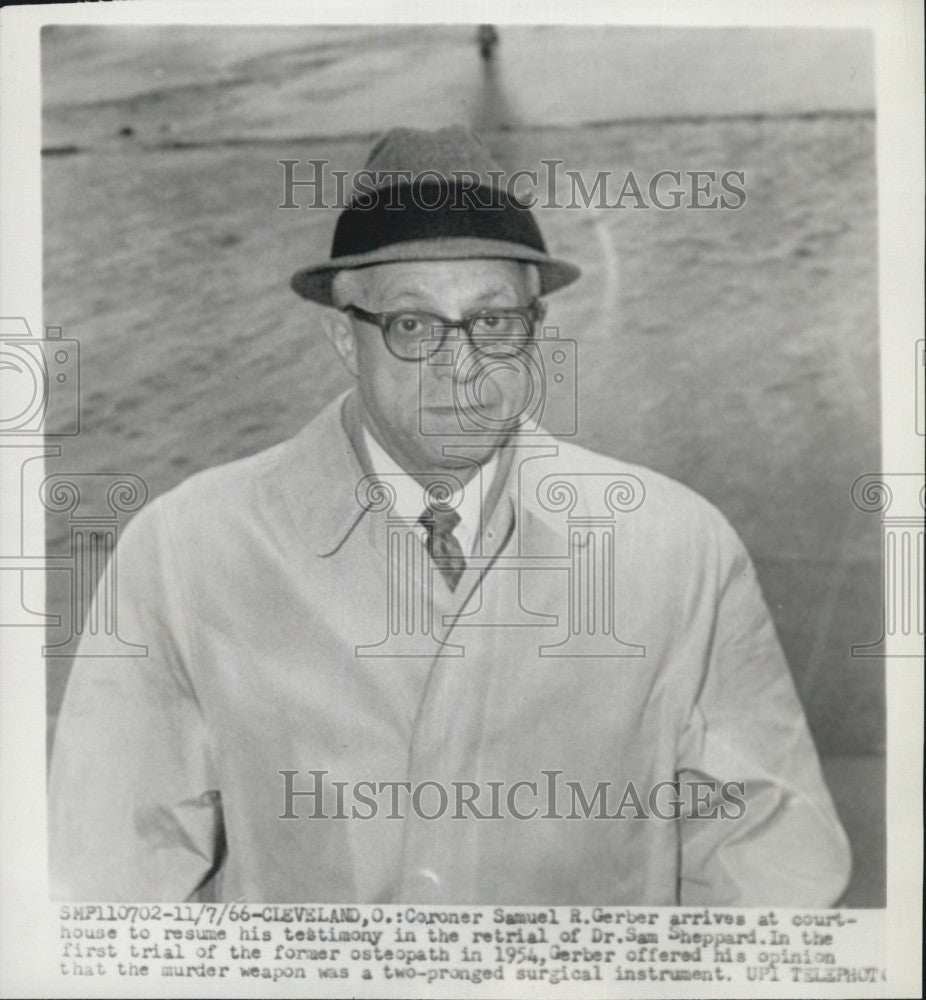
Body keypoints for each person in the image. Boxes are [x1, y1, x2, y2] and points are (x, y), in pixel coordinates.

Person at [49, 126, 851, 905]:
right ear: (342, 337)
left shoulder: (676, 547)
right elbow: (109, 873)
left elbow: (772, 856)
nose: (459, 365)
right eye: (412, 324)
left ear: (535, 332)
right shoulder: (188, 550)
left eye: (493, 321)